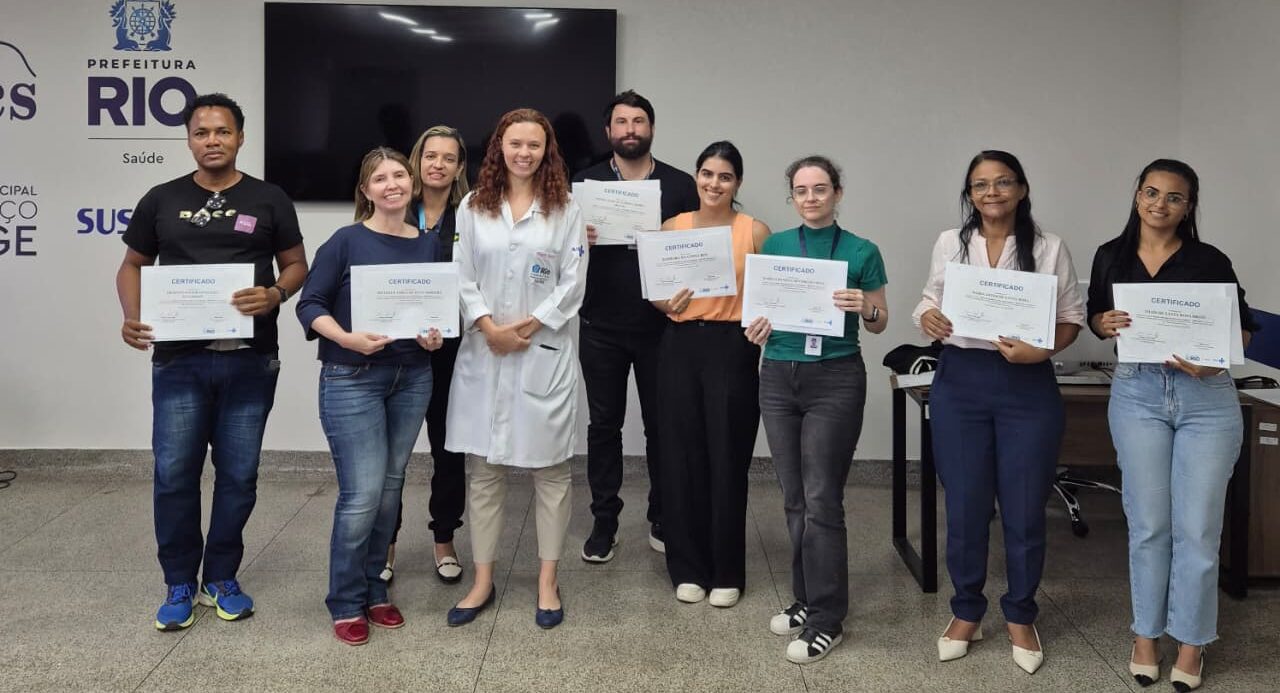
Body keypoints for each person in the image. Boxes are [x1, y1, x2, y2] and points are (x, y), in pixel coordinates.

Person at [116, 92, 307, 631]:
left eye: (223, 132)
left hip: (250, 362)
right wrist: (133, 315)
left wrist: (274, 294)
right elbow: (131, 265)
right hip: (179, 362)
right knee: (174, 473)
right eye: (201, 133)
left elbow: (296, 265)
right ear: (189, 139)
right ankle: (179, 580)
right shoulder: (161, 198)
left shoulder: (269, 199)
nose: (212, 141)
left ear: (241, 137)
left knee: (239, 475)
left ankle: (222, 576)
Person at [1087, 159, 1256, 692]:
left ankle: (1191, 642)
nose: (1160, 204)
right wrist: (1102, 322)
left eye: (1174, 197)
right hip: (1137, 393)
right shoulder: (1110, 255)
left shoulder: (1210, 259)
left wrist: (1219, 359)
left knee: (1199, 530)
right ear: (1137, 195)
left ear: (1189, 206)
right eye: (1151, 193)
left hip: (1206, 398)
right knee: (1149, 524)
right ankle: (1145, 635)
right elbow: (1096, 315)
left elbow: (1243, 333)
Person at [912, 150, 1084, 674]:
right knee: (964, 505)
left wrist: (1043, 350)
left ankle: (1020, 613)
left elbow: (1072, 317)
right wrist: (931, 319)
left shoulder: (1050, 247)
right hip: (961, 381)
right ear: (970, 193)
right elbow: (926, 301)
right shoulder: (951, 242)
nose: (992, 193)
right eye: (980, 185)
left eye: (1003, 182)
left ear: (1022, 188)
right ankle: (966, 610)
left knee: (1025, 507)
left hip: (1026, 383)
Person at [444, 108, 587, 630]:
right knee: (483, 473)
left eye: (534, 145)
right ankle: (483, 580)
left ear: (547, 151)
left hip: (540, 352)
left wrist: (523, 327)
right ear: (498, 146)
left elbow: (573, 284)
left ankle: (547, 580)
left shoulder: (565, 207)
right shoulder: (472, 205)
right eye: (514, 143)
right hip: (486, 351)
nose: (524, 153)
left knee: (551, 473)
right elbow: (460, 276)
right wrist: (486, 324)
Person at [295, 147, 445, 645]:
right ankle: (345, 600)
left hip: (412, 375)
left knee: (389, 492)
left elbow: (434, 313)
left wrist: (433, 337)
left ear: (412, 183)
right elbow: (309, 305)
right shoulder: (345, 241)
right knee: (361, 496)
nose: (392, 184)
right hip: (352, 377)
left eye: (399, 175)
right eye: (379, 178)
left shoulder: (428, 243)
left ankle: (375, 591)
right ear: (366, 190)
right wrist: (346, 338)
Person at [744, 155, 888, 663]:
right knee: (793, 497)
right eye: (801, 190)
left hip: (836, 377)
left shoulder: (862, 250)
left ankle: (829, 618)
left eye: (820, 188)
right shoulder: (776, 245)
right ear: (792, 196)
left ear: (837, 193)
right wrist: (755, 330)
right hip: (779, 375)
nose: (810, 198)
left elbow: (880, 321)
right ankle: (805, 599)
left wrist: (864, 307)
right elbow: (759, 310)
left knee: (823, 497)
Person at [572, 90, 699, 562]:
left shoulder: (681, 184)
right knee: (603, 426)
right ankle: (605, 521)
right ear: (608, 132)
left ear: (651, 128)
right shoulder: (582, 183)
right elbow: (555, 256)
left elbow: (702, 249)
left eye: (639, 121)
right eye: (621, 122)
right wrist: (575, 240)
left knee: (662, 426)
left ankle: (663, 515)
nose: (630, 129)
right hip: (600, 324)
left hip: (664, 326)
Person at [653, 140, 770, 609]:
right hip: (679, 344)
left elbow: (770, 293)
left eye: (724, 176)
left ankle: (726, 570)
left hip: (731, 347)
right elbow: (657, 292)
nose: (713, 183)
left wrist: (766, 322)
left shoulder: (755, 230)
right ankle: (687, 568)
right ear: (696, 177)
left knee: (728, 455)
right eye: (706, 174)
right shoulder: (673, 226)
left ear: (737, 183)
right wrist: (666, 303)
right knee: (680, 455)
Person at [382, 125, 471, 586]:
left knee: (448, 448)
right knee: (391, 451)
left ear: (459, 168)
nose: (438, 164)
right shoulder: (395, 207)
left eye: (448, 158)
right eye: (430, 155)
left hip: (451, 348)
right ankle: (387, 542)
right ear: (416, 160)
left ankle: (444, 539)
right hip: (396, 348)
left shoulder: (472, 214)